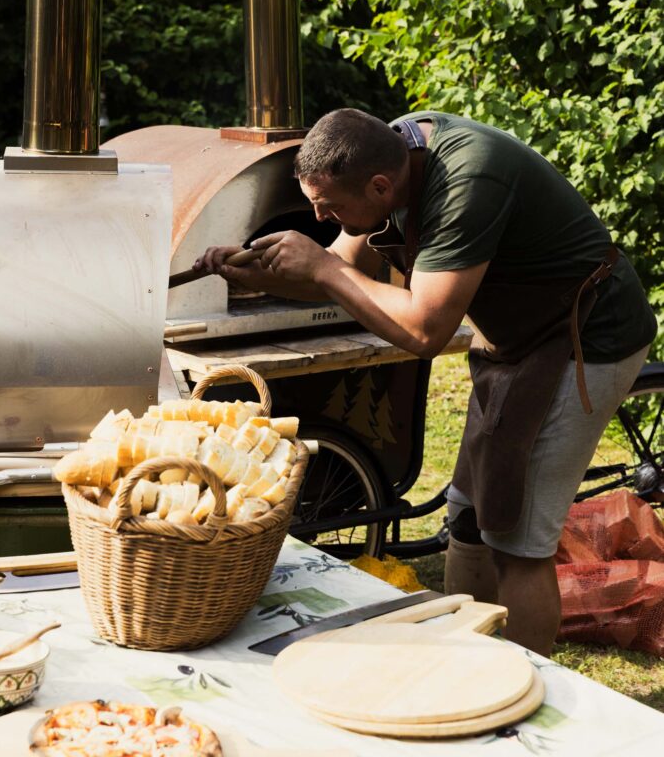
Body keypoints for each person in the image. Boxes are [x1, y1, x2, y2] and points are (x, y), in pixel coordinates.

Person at [194, 108, 657, 656]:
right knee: (467, 518)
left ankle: (529, 698)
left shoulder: (467, 179)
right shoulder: (387, 157)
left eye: (333, 207)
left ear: (381, 185)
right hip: (516, 341)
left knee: (518, 542)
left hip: (586, 341)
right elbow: (342, 274)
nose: (324, 219)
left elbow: (423, 329)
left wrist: (321, 267)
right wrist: (261, 276)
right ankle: (465, 659)